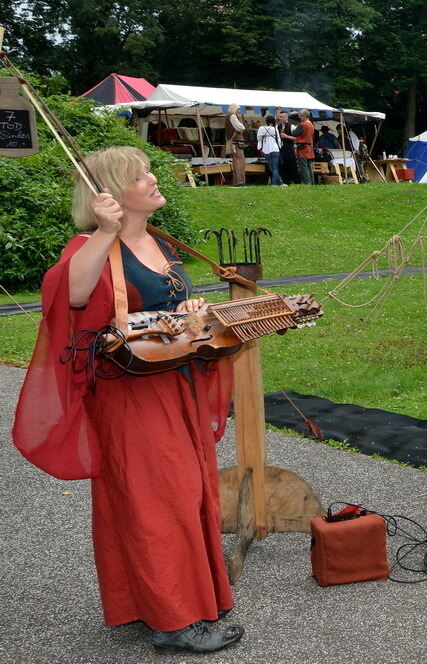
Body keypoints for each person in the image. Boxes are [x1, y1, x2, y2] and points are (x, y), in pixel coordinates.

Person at [11, 146, 243, 653]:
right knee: (158, 503)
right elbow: (68, 295)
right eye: (141, 176)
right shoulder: (92, 246)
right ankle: (172, 620)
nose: (154, 179)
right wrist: (104, 232)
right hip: (130, 400)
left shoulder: (161, 242)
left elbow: (164, 309)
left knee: (187, 494)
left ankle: (172, 601)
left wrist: (190, 308)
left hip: (175, 385)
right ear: (113, 195)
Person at [224, 103, 247, 187]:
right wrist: (242, 127)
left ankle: (238, 182)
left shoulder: (229, 115)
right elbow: (241, 128)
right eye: (238, 109)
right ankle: (240, 182)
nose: (239, 111)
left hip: (234, 142)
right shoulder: (232, 116)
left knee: (237, 161)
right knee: (239, 161)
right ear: (234, 109)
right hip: (236, 142)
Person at [257, 115, 285, 186]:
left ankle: (277, 182)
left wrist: (260, 146)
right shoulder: (274, 129)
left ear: (266, 121)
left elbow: (259, 139)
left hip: (266, 150)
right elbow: (278, 140)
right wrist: (279, 147)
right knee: (275, 167)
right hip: (275, 149)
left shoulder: (261, 128)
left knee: (270, 167)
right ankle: (277, 183)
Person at [290, 111, 315, 185]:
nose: (299, 118)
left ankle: (307, 183)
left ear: (304, 116)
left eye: (300, 116)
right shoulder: (311, 124)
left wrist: (297, 126)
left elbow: (294, 133)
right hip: (309, 147)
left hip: (302, 147)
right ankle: (312, 183)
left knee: (303, 167)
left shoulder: (302, 124)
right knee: (309, 166)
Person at [276, 110, 299, 184]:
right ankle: (285, 181)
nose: (281, 118)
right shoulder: (277, 127)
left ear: (287, 117)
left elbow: (296, 138)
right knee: (283, 165)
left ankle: (295, 181)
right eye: (280, 117)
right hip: (281, 149)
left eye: (282, 117)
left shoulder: (292, 126)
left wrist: (287, 136)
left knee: (292, 164)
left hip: (289, 148)